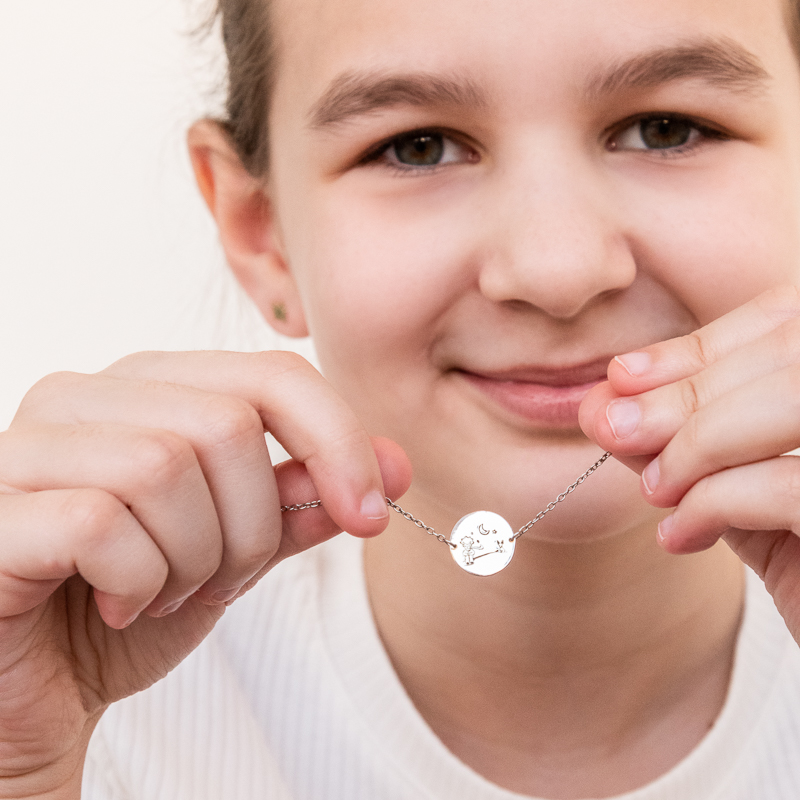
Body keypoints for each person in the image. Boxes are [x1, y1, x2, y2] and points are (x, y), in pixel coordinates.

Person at [4, 0, 800, 797]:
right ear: (261, 232)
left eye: (666, 130)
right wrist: (24, 770)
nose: (556, 272)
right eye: (419, 148)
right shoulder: (77, 712)